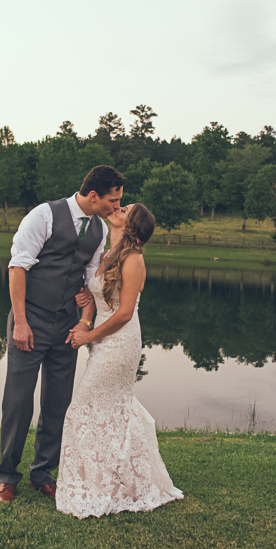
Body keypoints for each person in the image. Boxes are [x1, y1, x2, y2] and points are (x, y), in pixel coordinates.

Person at [0, 165, 125, 503]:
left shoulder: (99, 228)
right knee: (18, 401)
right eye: (113, 200)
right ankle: (7, 477)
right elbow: (17, 266)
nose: (116, 206)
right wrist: (20, 323)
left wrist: (85, 320)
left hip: (68, 326)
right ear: (93, 195)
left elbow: (92, 279)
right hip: (31, 319)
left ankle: (43, 473)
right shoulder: (44, 216)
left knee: (57, 403)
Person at [56, 203, 183, 518]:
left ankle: (107, 484)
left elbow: (125, 313)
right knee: (109, 409)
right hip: (103, 338)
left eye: (125, 209)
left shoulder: (134, 259)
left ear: (131, 225)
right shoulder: (107, 256)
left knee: (83, 408)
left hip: (120, 342)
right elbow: (99, 298)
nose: (117, 207)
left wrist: (90, 336)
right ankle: (116, 482)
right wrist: (86, 305)